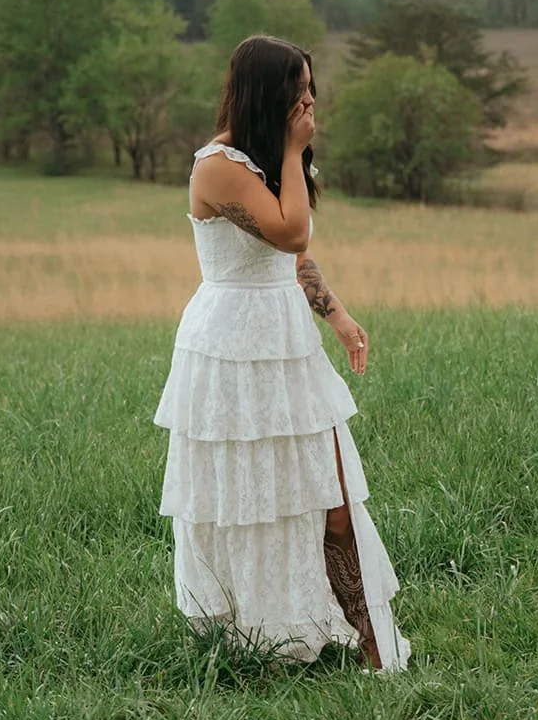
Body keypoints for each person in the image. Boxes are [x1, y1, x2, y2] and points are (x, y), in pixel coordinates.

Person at [154, 34, 410, 671]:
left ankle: (372, 640)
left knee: (333, 496)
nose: (309, 101)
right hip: (229, 348)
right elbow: (291, 228)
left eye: (311, 87)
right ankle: (253, 633)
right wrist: (295, 153)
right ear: (267, 94)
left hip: (287, 339)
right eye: (298, 88)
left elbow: (292, 255)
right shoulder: (216, 166)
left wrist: (338, 314)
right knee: (250, 494)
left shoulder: (269, 160)